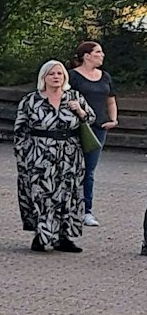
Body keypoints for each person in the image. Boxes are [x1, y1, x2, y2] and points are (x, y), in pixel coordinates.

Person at [14, 60, 93, 253]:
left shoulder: (74, 97)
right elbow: (20, 129)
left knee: (68, 194)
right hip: (40, 154)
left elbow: (91, 118)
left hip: (69, 154)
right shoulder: (31, 100)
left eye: (59, 73)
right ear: (44, 78)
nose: (56, 77)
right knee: (42, 194)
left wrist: (79, 110)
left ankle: (64, 237)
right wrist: (23, 155)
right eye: (51, 74)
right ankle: (41, 235)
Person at [68, 41, 117, 226]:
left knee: (89, 171)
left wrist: (113, 119)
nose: (102, 55)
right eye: (98, 52)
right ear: (86, 56)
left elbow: (111, 100)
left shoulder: (105, 77)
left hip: (97, 128)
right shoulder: (73, 76)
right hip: (76, 127)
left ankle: (86, 211)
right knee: (71, 168)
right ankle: (68, 207)